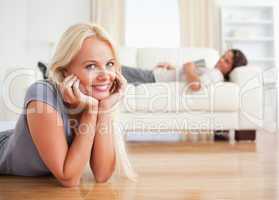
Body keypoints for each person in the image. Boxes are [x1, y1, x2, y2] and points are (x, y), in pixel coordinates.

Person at [0, 23, 137, 187]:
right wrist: (90, 112)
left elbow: (102, 174)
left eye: (109, 64)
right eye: (91, 66)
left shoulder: (95, 96)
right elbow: (69, 178)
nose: (105, 75)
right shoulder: (41, 95)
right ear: (65, 71)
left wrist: (104, 109)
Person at [122, 49, 248, 91]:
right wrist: (172, 68)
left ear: (232, 68)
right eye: (223, 57)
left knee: (118, 69)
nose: (220, 60)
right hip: (156, 75)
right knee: (119, 73)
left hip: (154, 78)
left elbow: (195, 86)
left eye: (226, 61)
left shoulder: (216, 75)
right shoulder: (210, 69)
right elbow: (185, 73)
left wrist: (189, 68)